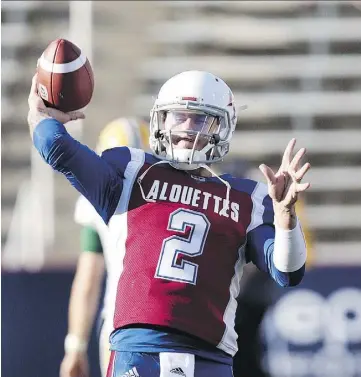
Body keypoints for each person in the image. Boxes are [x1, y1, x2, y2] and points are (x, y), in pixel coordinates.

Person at [28, 70, 311, 377]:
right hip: (138, 349)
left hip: (209, 357)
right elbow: (56, 147)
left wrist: (286, 217)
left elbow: (288, 271)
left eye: (200, 119)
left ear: (223, 126)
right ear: (160, 121)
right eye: (178, 117)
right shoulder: (130, 170)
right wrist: (40, 114)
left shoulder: (248, 197)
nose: (188, 128)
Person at [60, 118, 149, 377]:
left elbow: (88, 278)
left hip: (120, 328)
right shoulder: (175, 190)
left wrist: (75, 346)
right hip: (177, 328)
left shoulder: (98, 198)